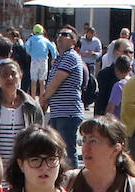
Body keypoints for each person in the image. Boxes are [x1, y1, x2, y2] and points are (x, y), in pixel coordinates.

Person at [39, 27, 84, 167]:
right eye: (59, 34)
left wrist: (44, 97)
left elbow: (55, 83)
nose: (60, 36)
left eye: (65, 34)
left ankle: (73, 182)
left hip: (68, 112)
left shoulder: (71, 56)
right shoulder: (60, 59)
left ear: (73, 40)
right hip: (58, 112)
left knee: (68, 151)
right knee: (57, 151)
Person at [0, 59, 43, 166]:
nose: (9, 78)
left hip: (21, 168)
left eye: (13, 74)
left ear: (20, 76)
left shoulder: (32, 106)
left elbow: (38, 138)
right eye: (5, 75)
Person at [94, 39, 133, 117]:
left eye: (131, 52)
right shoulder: (105, 74)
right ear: (116, 52)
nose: (128, 54)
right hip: (112, 121)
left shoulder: (134, 75)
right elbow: (101, 101)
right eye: (125, 51)